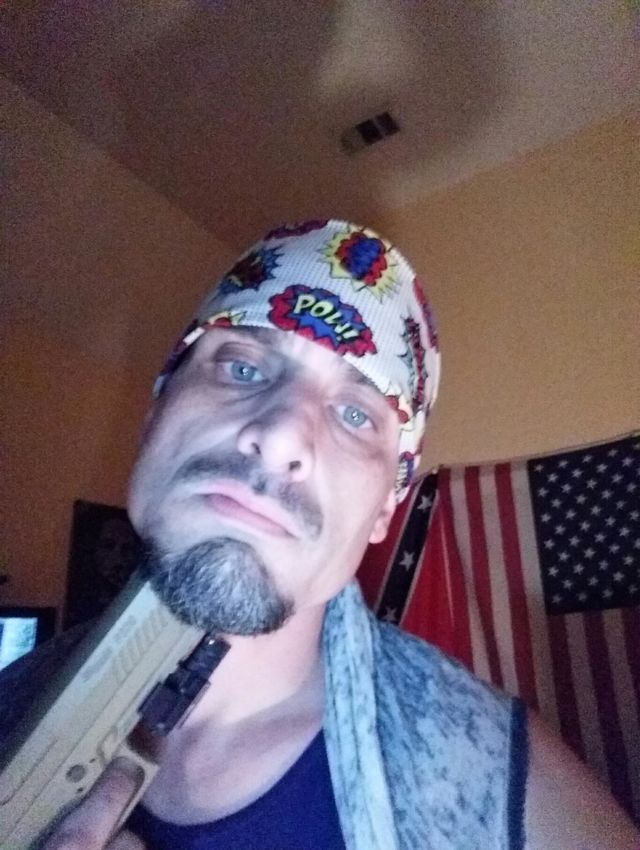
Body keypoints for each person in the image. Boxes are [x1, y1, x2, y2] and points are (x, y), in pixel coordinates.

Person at [3, 220, 637, 849]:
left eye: (355, 414)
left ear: (386, 509)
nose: (282, 436)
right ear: (155, 415)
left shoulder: (513, 794)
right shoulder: (11, 697)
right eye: (242, 367)